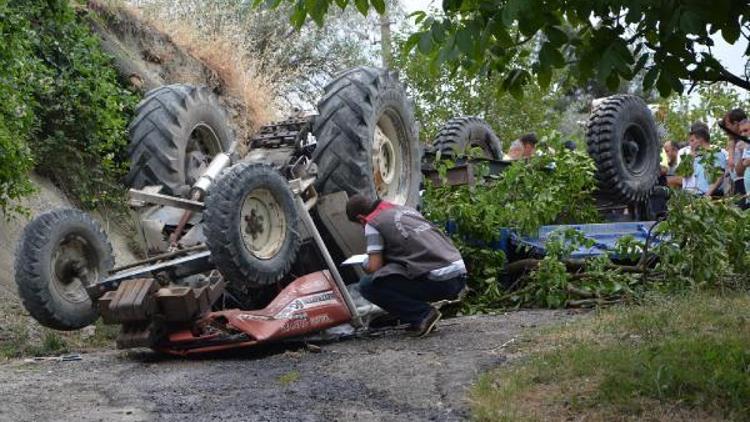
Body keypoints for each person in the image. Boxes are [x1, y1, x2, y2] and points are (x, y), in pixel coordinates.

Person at [346, 194, 467, 337]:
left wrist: (366, 262)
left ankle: (423, 315)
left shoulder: (372, 223)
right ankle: (413, 316)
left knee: (368, 285)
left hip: (440, 281)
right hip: (459, 276)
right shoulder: (406, 210)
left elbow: (374, 267)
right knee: (395, 272)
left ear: (361, 218)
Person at [682, 122, 727, 196]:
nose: (690, 144)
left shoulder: (717, 153)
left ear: (700, 140)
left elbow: (720, 176)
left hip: (709, 196)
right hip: (693, 196)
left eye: (692, 140)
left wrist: (708, 194)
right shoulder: (694, 156)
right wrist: (690, 158)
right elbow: (684, 175)